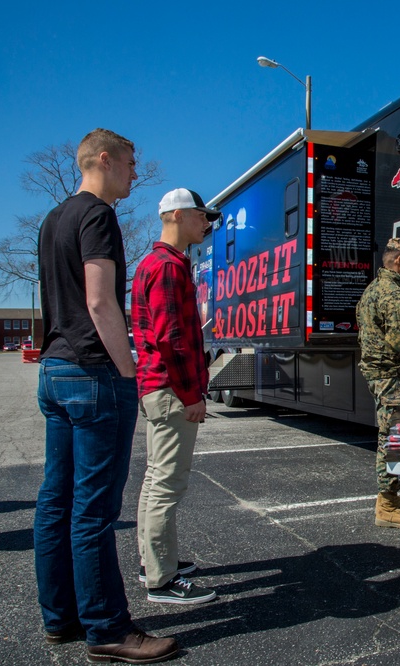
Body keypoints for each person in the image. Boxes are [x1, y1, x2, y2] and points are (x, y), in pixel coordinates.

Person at [34, 128, 178, 663]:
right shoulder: (97, 215)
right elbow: (99, 301)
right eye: (131, 163)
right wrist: (128, 371)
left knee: (56, 501)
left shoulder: (54, 219)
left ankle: (61, 617)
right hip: (93, 373)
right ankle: (107, 629)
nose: (135, 174)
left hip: (54, 369)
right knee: (93, 512)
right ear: (104, 159)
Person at [132, 189, 219, 605]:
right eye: (203, 216)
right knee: (167, 483)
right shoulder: (167, 267)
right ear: (179, 215)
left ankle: (154, 561)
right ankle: (162, 582)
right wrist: (191, 395)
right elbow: (173, 339)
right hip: (171, 391)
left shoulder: (156, 263)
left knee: (155, 481)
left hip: (158, 388)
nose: (208, 224)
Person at [356, 237, 400, 529]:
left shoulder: (372, 290)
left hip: (380, 375)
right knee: (393, 438)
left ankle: (391, 496)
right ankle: (386, 505)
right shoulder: (396, 296)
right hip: (394, 377)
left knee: (391, 435)